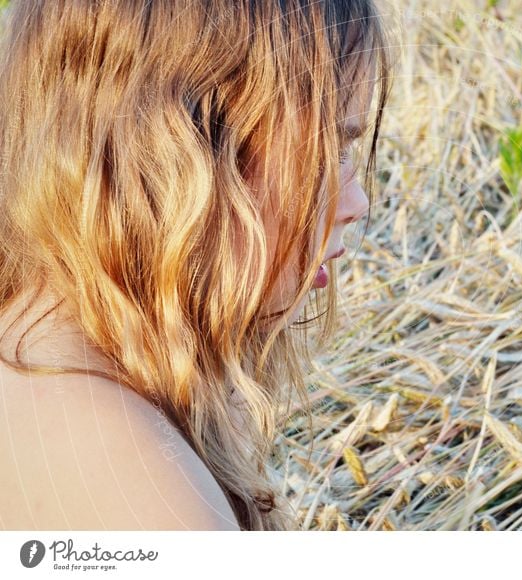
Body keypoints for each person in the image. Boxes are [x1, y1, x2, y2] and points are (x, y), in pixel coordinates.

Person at [0, 0, 392, 531]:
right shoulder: (140, 489)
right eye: (329, 150)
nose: (359, 201)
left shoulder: (79, 362)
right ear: (186, 152)